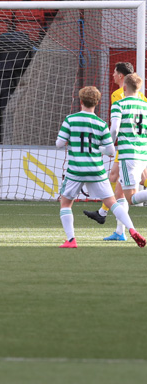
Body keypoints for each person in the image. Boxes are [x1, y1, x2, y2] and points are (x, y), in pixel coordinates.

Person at [54, 85, 144, 248]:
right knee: (112, 203)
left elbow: (59, 144)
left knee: (66, 203)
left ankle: (71, 240)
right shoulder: (101, 124)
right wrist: (97, 148)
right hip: (96, 170)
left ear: (81, 101)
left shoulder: (70, 119)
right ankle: (132, 229)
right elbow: (110, 151)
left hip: (76, 170)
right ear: (97, 103)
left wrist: (71, 141)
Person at [83, 62, 147, 237]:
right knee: (118, 189)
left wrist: (107, 147)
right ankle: (118, 230)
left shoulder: (118, 100)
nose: (112, 75)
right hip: (142, 150)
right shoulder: (144, 102)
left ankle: (106, 216)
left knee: (129, 196)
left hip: (128, 150)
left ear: (124, 82)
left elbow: (114, 129)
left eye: (114, 72)